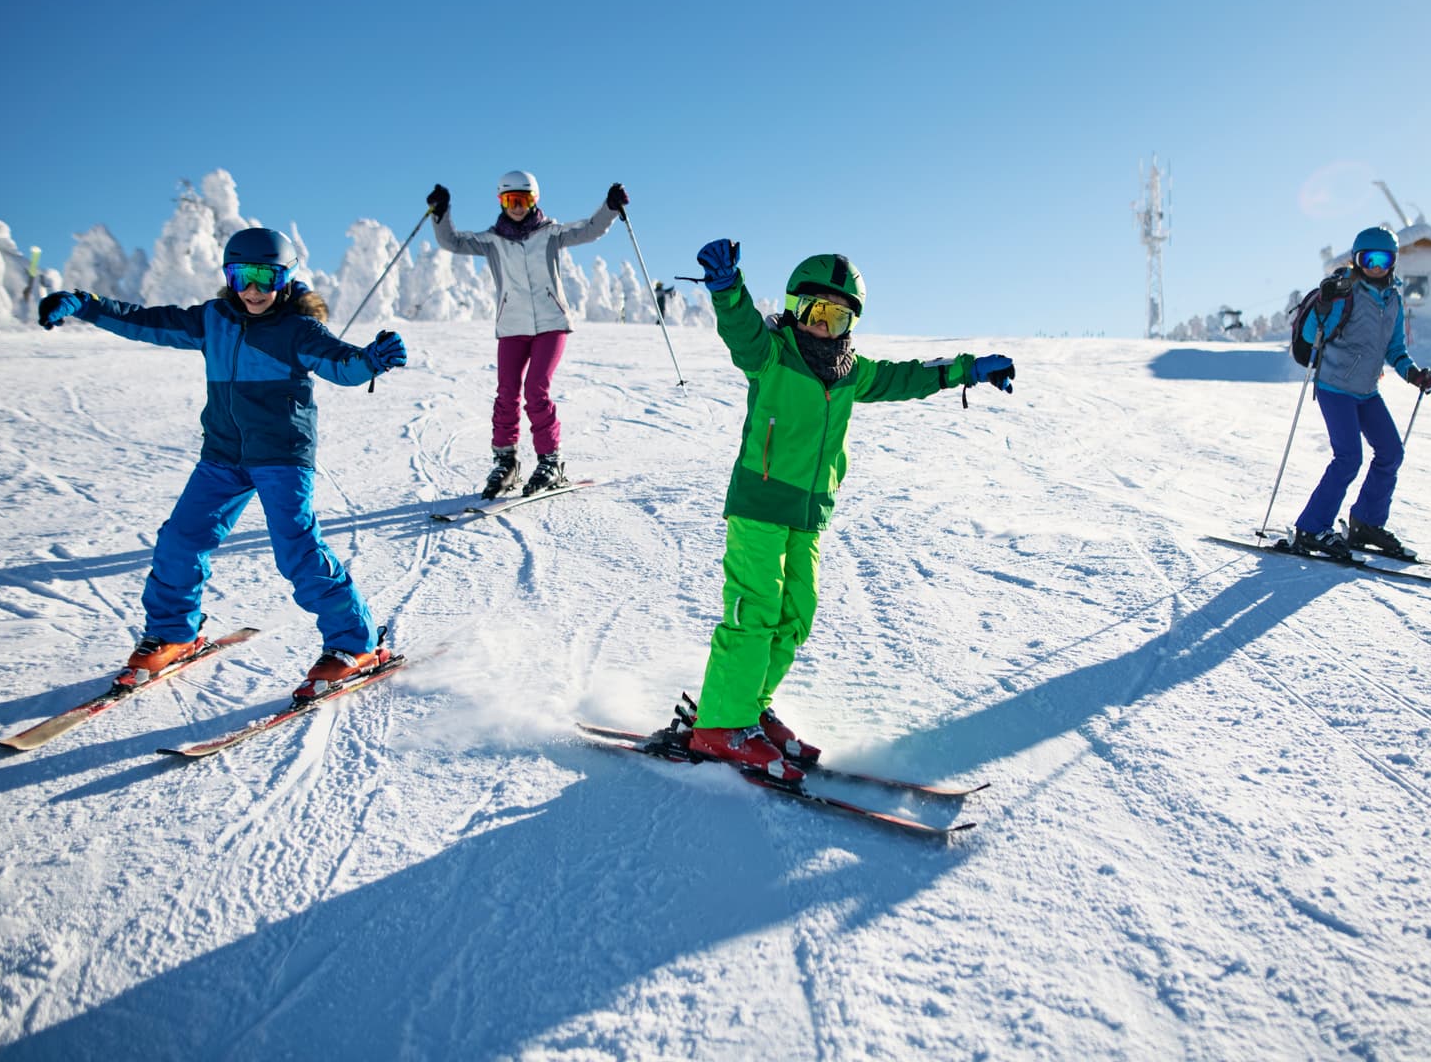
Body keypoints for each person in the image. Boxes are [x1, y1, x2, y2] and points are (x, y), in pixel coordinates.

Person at [684, 239, 1016, 781]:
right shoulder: (770, 354)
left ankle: (750, 706)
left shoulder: (852, 372)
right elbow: (741, 330)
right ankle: (721, 724)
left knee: (797, 613)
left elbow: (912, 375)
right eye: (816, 312)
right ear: (795, 308)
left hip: (809, 512)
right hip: (760, 504)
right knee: (755, 608)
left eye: (837, 319)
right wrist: (727, 289)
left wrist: (969, 369)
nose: (823, 327)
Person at [36, 227, 407, 701]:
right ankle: (174, 633)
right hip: (223, 455)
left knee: (296, 551)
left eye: (264, 278)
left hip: (281, 456)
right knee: (179, 541)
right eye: (240, 277)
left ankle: (355, 644)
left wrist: (371, 360)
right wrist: (84, 304)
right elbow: (144, 320)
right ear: (228, 277)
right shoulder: (213, 319)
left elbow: (342, 365)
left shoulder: (298, 330)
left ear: (285, 278)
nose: (252, 291)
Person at [425, 173, 626, 498]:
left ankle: (550, 461)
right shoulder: (492, 241)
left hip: (551, 324)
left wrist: (610, 208)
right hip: (511, 328)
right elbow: (452, 242)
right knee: (506, 392)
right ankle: (506, 462)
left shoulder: (551, 234)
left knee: (536, 389)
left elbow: (590, 230)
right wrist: (441, 213)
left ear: (534, 200)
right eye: (509, 201)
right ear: (501, 203)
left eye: (523, 200)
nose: (517, 208)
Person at [1289, 225, 1431, 561]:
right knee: (1348, 458)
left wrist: (1412, 374)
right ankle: (1312, 527)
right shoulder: (1345, 292)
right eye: (1367, 258)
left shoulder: (1394, 300)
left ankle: (1366, 523)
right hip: (1334, 387)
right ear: (1356, 260)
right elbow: (1313, 336)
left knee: (1391, 452)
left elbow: (1396, 349)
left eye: (1382, 259)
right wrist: (1325, 302)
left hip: (1366, 391)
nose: (1375, 266)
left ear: (1393, 262)